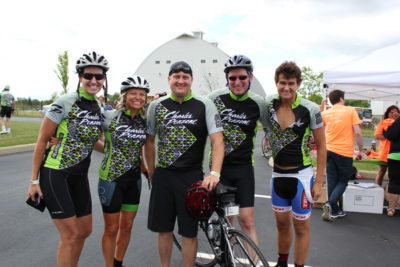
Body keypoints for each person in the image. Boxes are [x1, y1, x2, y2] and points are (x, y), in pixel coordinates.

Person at [27, 51, 109, 266]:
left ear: (104, 79)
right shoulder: (65, 102)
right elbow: (42, 140)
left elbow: (92, 142)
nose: (93, 81)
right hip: (56, 172)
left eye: (98, 77)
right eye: (88, 75)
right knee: (70, 235)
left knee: (84, 231)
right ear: (80, 77)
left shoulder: (98, 107)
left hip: (79, 175)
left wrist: (113, 151)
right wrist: (34, 180)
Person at [145, 61, 224, 267]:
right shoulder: (156, 106)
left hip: (191, 177)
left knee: (189, 232)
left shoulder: (204, 104)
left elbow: (217, 140)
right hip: (163, 175)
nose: (180, 81)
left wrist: (214, 172)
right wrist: (152, 172)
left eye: (185, 77)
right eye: (176, 77)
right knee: (163, 230)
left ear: (191, 80)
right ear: (169, 79)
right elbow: (149, 141)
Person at [265, 61, 326, 267]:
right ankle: (281, 263)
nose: (286, 88)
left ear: (298, 84)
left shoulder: (310, 108)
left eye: (291, 83)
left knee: (301, 228)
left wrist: (319, 182)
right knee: (281, 225)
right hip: (278, 176)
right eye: (283, 83)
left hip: (302, 177)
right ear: (276, 83)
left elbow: (322, 146)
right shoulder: (269, 104)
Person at [207, 55, 267, 249]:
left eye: (242, 77)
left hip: (243, 169)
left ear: (250, 76)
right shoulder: (214, 98)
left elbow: (272, 130)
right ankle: (227, 257)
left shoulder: (259, 103)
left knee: (247, 221)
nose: (237, 82)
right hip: (220, 169)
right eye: (232, 78)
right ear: (227, 79)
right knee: (227, 220)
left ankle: (255, 263)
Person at [98, 75, 150, 267]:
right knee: (111, 228)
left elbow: (140, 148)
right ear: (124, 96)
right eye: (133, 93)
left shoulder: (144, 120)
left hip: (133, 180)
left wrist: (145, 168)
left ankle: (118, 262)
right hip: (111, 179)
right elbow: (90, 136)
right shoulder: (109, 116)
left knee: (127, 226)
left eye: (142, 94)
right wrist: (108, 149)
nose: (138, 97)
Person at [321, 89, 363, 221]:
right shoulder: (350, 110)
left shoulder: (325, 113)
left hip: (329, 150)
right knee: (343, 181)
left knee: (332, 180)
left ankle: (334, 210)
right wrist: (360, 150)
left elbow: (321, 132)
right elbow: (357, 132)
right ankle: (330, 204)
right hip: (344, 151)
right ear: (341, 99)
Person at [374, 105, 400, 186]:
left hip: (396, 153)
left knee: (394, 175)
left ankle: (391, 192)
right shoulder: (383, 123)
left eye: (396, 112)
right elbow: (377, 136)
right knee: (381, 171)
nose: (393, 114)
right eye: (391, 112)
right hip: (384, 153)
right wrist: (387, 136)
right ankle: (377, 189)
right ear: (387, 114)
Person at [383, 114, 400, 216]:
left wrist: (388, 128)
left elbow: (390, 135)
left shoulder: (398, 122)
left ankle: (391, 209)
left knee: (394, 182)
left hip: (395, 155)